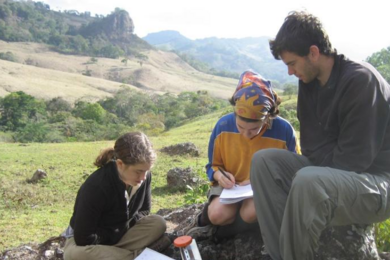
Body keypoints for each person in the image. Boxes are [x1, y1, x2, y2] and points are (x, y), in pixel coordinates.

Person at [250, 11, 390, 260]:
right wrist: (321, 157)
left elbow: (353, 161)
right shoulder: (309, 81)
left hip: (377, 183)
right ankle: (281, 255)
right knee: (264, 162)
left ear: (313, 52)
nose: (290, 72)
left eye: (292, 63)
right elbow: (311, 146)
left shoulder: (360, 81)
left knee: (308, 181)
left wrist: (319, 160)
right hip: (334, 173)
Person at [185, 71, 300, 244]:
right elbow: (212, 166)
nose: (246, 135)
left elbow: (294, 169)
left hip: (263, 188)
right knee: (217, 215)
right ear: (235, 114)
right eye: (240, 127)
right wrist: (219, 176)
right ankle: (210, 222)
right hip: (229, 189)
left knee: (250, 213)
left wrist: (259, 181)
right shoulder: (223, 125)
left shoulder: (283, 130)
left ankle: (221, 234)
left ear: (267, 118)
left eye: (254, 129)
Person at [62, 132, 172, 260]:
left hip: (120, 235)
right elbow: (83, 238)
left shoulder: (143, 177)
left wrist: (123, 228)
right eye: (138, 171)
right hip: (87, 243)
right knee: (77, 254)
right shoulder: (97, 186)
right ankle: (137, 256)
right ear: (120, 164)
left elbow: (144, 211)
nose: (142, 177)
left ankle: (120, 255)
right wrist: (116, 232)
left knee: (158, 223)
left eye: (146, 171)